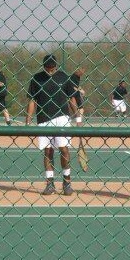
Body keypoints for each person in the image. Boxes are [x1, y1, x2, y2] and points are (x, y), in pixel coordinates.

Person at [26, 54, 82, 196]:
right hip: (43, 119)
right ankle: (50, 184)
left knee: (64, 150)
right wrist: (28, 119)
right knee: (48, 151)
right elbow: (32, 100)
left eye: (52, 69)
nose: (50, 71)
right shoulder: (36, 79)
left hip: (62, 118)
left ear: (56, 66)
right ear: (44, 66)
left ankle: (67, 182)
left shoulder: (64, 77)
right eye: (47, 68)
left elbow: (71, 98)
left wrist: (78, 117)